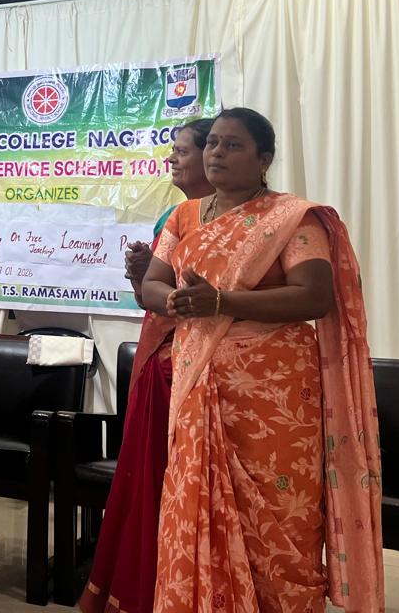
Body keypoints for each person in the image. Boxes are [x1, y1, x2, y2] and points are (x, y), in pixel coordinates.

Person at [134, 107, 382, 612]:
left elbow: (314, 296)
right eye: (213, 143)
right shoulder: (184, 216)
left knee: (277, 515)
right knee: (198, 503)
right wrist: (176, 299)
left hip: (274, 395)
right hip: (198, 380)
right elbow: (152, 284)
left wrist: (221, 302)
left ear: (264, 159)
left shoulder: (292, 218)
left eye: (233, 145)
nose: (217, 153)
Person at [80, 116, 214, 613]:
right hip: (164, 363)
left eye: (183, 150)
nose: (171, 158)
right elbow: (155, 299)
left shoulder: (245, 222)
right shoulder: (173, 219)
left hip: (213, 371)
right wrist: (141, 279)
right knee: (152, 482)